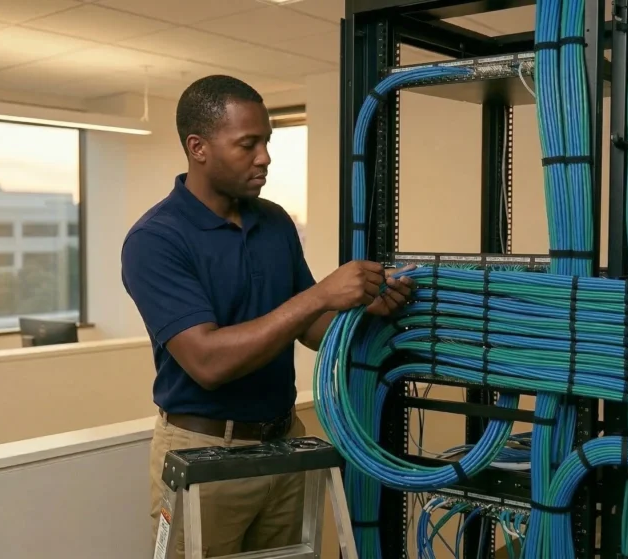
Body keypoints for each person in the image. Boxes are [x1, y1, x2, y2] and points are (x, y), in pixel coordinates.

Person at [121, 74, 414, 558]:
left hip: (283, 444)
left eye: (267, 142)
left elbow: (312, 330)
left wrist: (365, 309)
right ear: (198, 148)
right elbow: (208, 362)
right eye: (247, 144)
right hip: (205, 450)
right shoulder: (156, 239)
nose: (265, 157)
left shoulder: (273, 221)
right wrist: (320, 295)